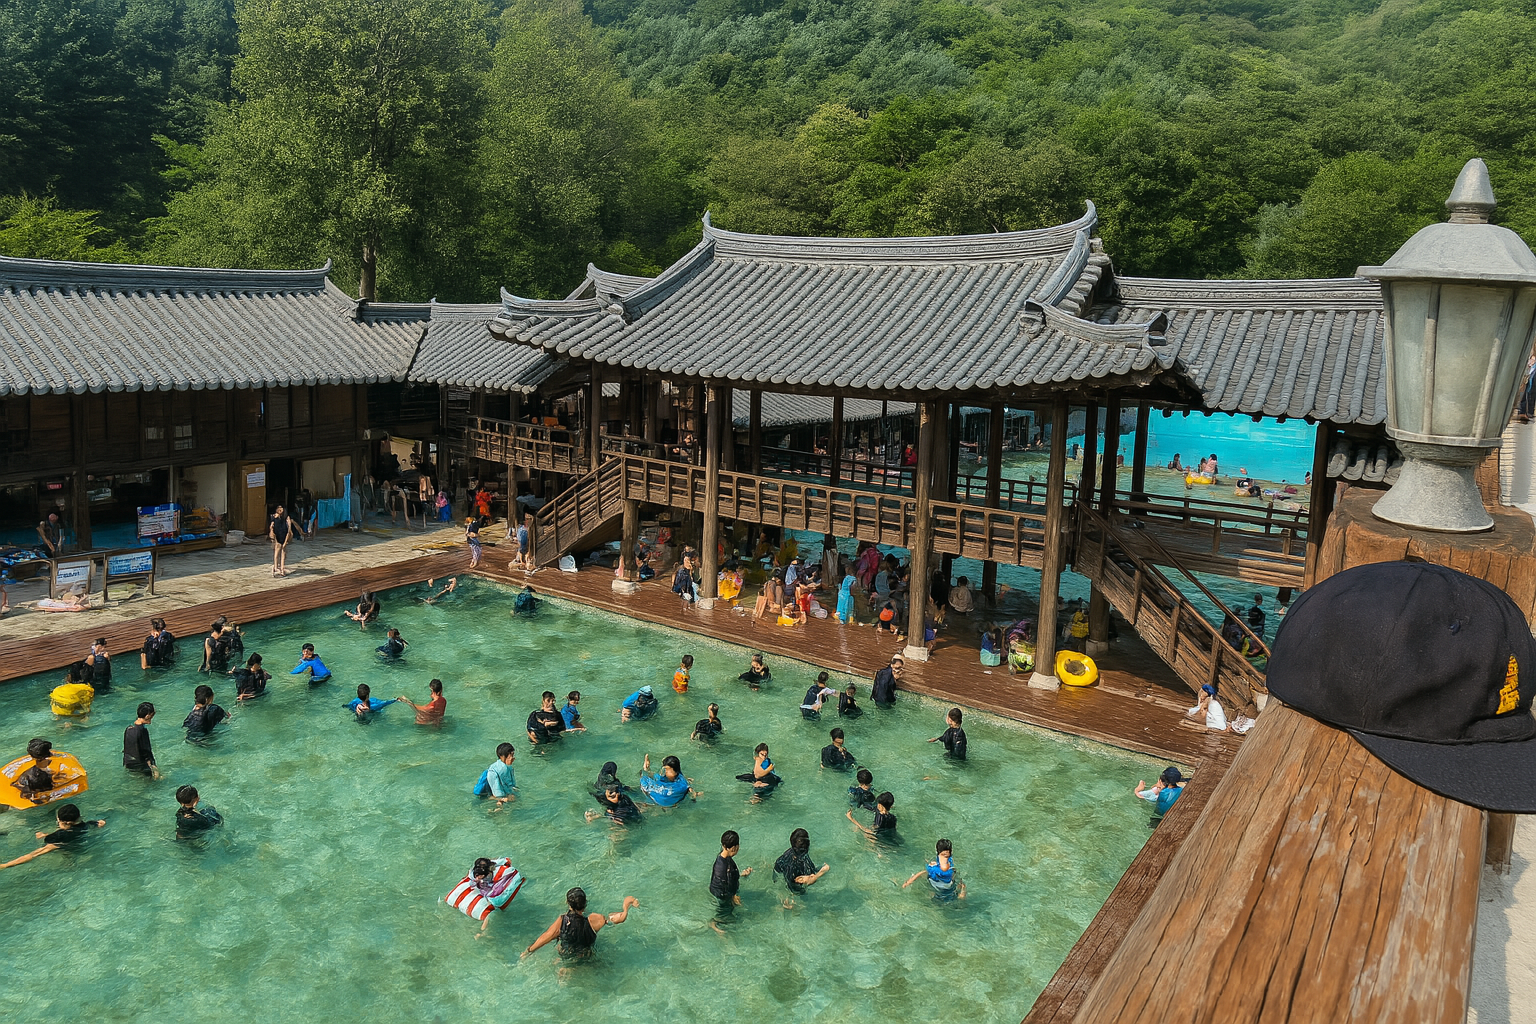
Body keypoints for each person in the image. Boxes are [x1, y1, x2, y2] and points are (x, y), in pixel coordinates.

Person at [522, 888, 639, 961]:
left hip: (566, 955)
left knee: (560, 948)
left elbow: (546, 937)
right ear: (585, 904)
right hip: (586, 955)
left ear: (568, 904)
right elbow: (618, 919)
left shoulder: (562, 920)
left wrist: (529, 951)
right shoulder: (596, 919)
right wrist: (626, 906)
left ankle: (564, 969)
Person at [0, 803, 105, 869]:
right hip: (80, 845)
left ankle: (69, 863)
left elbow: (33, 854)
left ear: (63, 822)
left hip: (64, 845)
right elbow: (102, 823)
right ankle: (70, 863)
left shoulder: (58, 837)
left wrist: (5, 865)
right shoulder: (88, 824)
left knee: (41, 852)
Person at [772, 828, 829, 905]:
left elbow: (814, 868)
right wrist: (815, 877)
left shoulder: (798, 852)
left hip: (782, 865)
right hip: (784, 874)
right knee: (805, 899)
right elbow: (795, 889)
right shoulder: (792, 868)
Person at [709, 829, 752, 925]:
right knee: (727, 914)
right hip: (723, 894)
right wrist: (733, 897)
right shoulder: (723, 867)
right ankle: (714, 923)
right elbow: (724, 885)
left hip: (720, 891)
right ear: (734, 848)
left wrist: (741, 874)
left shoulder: (723, 857)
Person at [473, 743, 517, 809]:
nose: (512, 758)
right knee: (497, 803)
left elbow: (509, 783)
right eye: (510, 756)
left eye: (512, 755)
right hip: (491, 792)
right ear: (502, 756)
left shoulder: (508, 767)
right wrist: (503, 798)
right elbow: (496, 788)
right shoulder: (494, 770)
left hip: (500, 791)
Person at [123, 702, 160, 778]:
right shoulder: (143, 731)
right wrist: (154, 767)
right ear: (148, 715)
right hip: (141, 765)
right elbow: (146, 751)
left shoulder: (129, 728)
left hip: (128, 763)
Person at [269, 504, 296, 576]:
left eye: (281, 508)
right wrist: (272, 534)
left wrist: (286, 540)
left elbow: (289, 529)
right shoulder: (273, 516)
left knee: (283, 551)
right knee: (277, 551)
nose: (280, 509)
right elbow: (271, 527)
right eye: (278, 508)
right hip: (277, 535)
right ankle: (275, 567)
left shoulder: (286, 518)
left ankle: (282, 568)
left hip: (284, 535)